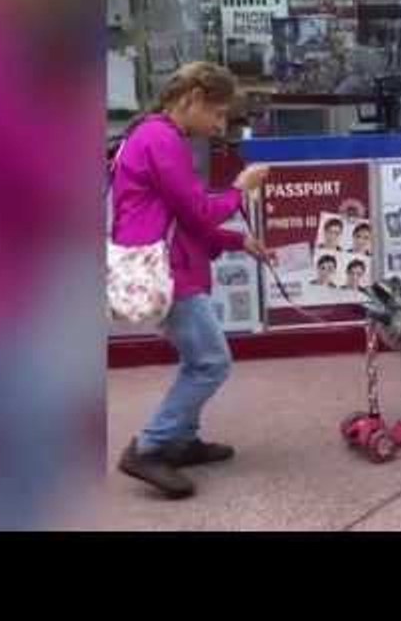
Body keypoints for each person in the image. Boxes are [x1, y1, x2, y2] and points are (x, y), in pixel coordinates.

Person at [111, 61, 273, 500]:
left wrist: (241, 243)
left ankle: (181, 441)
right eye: (218, 114)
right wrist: (241, 188)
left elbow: (185, 217)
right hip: (167, 270)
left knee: (196, 359)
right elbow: (199, 212)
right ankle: (149, 447)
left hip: (165, 263)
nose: (219, 126)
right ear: (195, 99)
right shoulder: (161, 139)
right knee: (211, 362)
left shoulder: (150, 134)